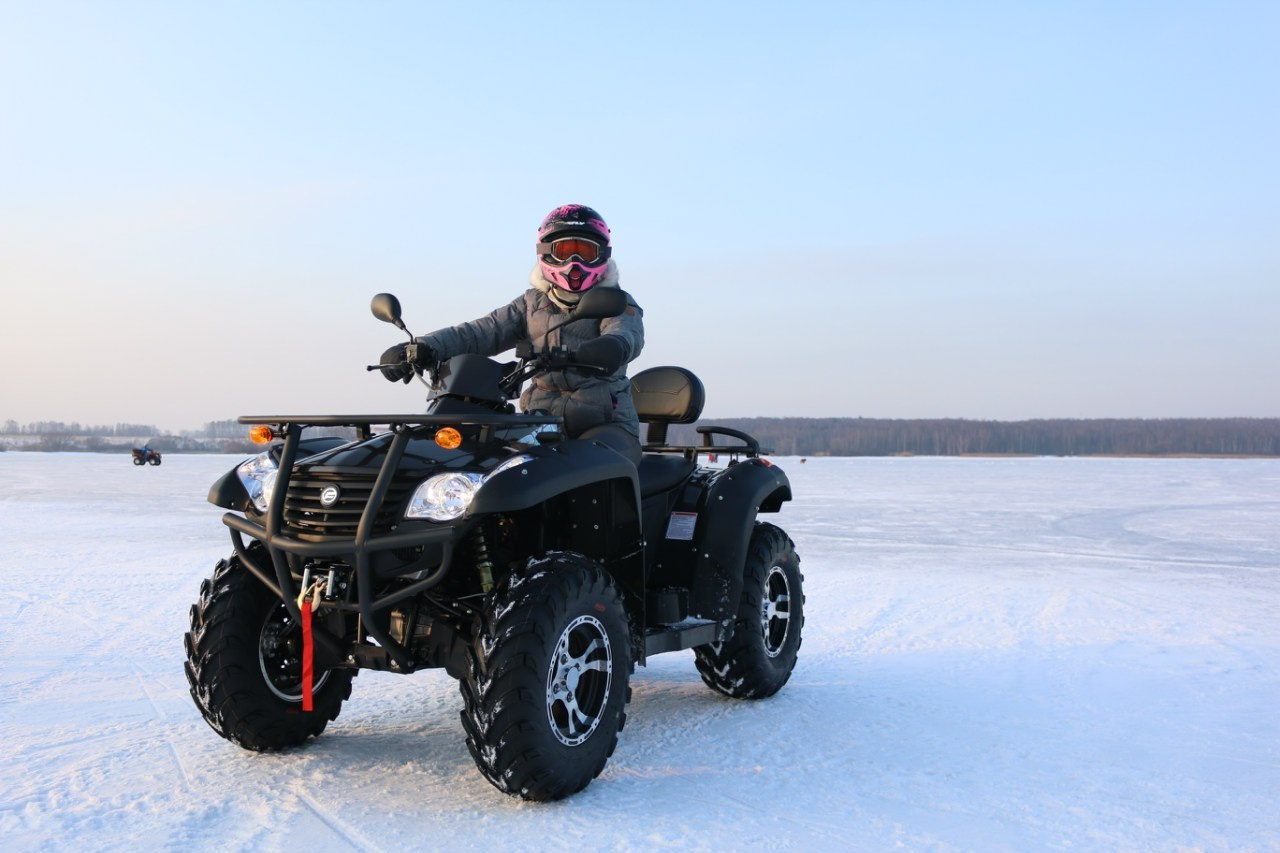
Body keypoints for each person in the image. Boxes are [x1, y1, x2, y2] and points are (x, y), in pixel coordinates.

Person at [379, 204, 645, 464]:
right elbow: (482, 332)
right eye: (563, 251)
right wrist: (422, 347)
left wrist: (612, 347)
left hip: (606, 423)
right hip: (542, 420)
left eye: (585, 252)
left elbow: (626, 332)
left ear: (602, 254)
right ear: (545, 253)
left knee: (592, 465)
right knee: (490, 465)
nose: (574, 262)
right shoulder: (531, 304)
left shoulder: (617, 302)